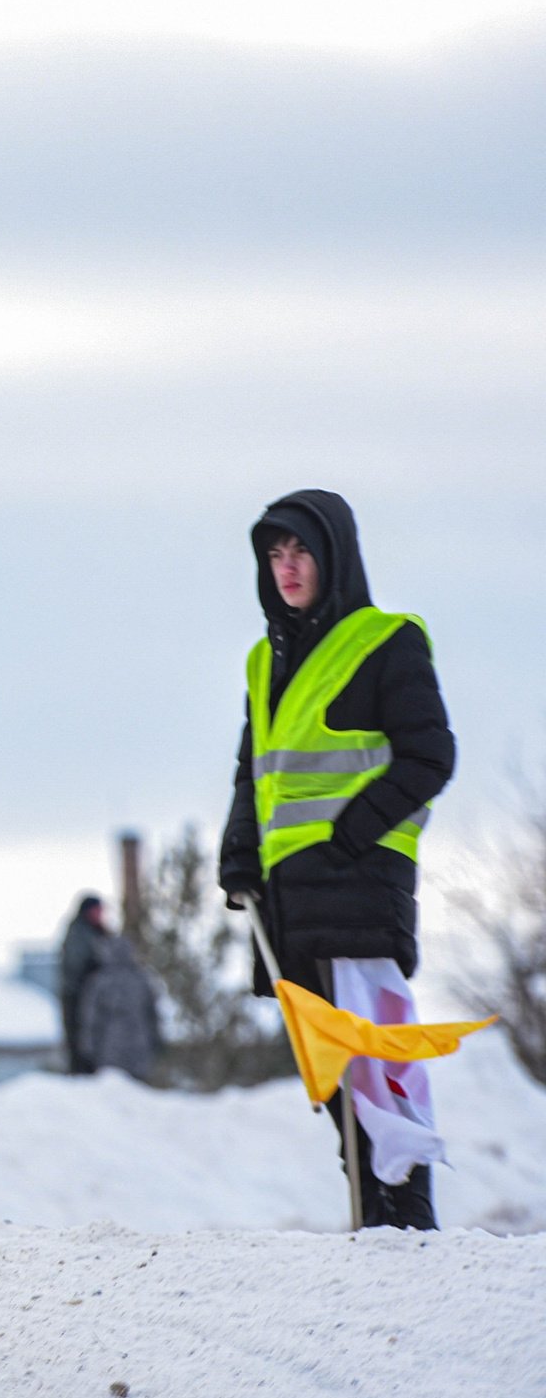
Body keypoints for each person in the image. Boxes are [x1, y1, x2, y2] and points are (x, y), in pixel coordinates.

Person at [218, 489, 454, 1230]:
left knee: (377, 1061)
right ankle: (371, 1205)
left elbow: (428, 756)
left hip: (357, 891)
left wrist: (353, 834)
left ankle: (407, 1213)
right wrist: (237, 854)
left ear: (336, 556)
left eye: (301, 551)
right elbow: (252, 770)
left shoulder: (387, 641)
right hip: (288, 902)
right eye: (274, 554)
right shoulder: (267, 658)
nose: (286, 568)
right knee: (328, 1067)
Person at [76, 928, 161, 1083]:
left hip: (109, 1053)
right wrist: (156, 1043)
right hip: (139, 1052)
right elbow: (153, 1016)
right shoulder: (141, 980)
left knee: (112, 1099)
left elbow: (91, 1019)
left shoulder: (99, 982)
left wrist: (88, 1049)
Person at [56, 894, 108, 1075]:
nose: (101, 914)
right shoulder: (79, 931)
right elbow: (76, 963)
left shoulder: (99, 932)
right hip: (76, 995)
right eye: (97, 910)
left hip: (95, 997)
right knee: (78, 1039)